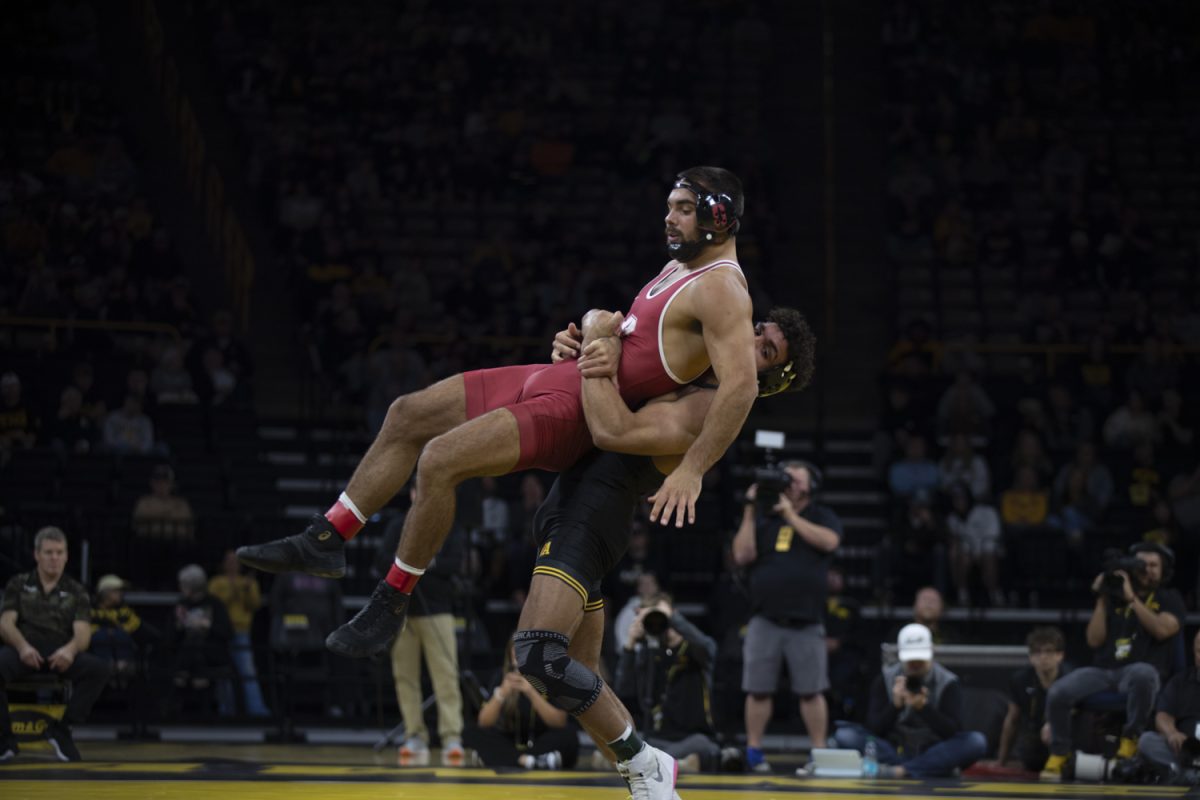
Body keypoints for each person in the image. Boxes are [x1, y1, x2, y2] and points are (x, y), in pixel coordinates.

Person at [238, 167, 772, 659]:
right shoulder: (683, 264)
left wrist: (692, 469)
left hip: (572, 412)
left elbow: (740, 388)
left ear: (715, 216)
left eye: (682, 208)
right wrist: (583, 337)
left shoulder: (723, 288)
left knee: (440, 459)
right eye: (670, 205)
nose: (668, 216)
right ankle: (327, 539)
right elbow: (629, 335)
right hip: (559, 376)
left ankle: (392, 601)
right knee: (407, 413)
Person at [506, 306, 814, 798]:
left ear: (767, 379)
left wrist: (592, 337)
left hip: (592, 518)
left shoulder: (708, 407)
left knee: (538, 652)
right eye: (756, 331)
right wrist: (574, 354)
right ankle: (645, 779)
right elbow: (605, 371)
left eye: (764, 349)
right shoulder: (684, 364)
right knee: (585, 680)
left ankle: (646, 763)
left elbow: (611, 429)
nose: (748, 338)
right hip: (569, 506)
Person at [732, 460, 843, 771]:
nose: (790, 484)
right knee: (758, 689)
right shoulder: (764, 519)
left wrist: (790, 516)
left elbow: (830, 542)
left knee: (811, 690)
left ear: (811, 486)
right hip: (765, 618)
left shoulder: (822, 516)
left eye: (797, 479)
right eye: (786, 479)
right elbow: (742, 555)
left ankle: (818, 753)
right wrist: (751, 509)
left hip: (806, 620)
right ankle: (754, 752)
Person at [1041, 542, 1185, 780]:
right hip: (1106, 671)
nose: (1146, 569)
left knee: (1143, 674)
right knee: (1059, 690)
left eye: (1153, 565)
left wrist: (1131, 599)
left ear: (1164, 570)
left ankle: (1130, 739)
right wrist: (1102, 598)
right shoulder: (1114, 598)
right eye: (1141, 564)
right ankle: (1060, 753)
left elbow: (1162, 629)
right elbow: (1094, 640)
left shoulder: (1169, 598)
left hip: (1141, 672)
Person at [0, 527, 112, 762]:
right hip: (24, 649)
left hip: (59, 651)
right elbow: (6, 624)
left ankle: (61, 730)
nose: (54, 558)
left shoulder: (76, 590)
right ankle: (5, 740)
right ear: (37, 555)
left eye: (59, 552)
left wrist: (69, 651)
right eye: (49, 552)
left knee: (100, 669)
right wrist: (22, 647)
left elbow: (83, 633)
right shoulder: (18, 584)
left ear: (67, 556)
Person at [374, 488, 467, 765]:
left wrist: (415, 564)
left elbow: (454, 563)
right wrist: (426, 565)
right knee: (405, 677)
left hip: (438, 610)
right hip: (401, 612)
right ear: (413, 494)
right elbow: (381, 560)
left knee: (446, 676)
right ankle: (414, 734)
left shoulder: (449, 524)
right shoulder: (397, 525)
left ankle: (452, 736)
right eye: (419, 490)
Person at [832, 623, 988, 778]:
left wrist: (924, 708)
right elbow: (874, 729)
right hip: (894, 748)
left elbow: (953, 732)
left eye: (920, 659)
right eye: (911, 660)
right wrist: (895, 706)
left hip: (933, 748)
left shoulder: (947, 682)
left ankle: (903, 771)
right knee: (845, 734)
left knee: (976, 741)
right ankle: (930, 768)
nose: (915, 665)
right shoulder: (885, 679)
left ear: (931, 652)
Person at [615, 591, 722, 774]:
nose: (659, 622)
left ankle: (648, 762)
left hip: (692, 737)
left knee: (706, 747)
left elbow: (709, 647)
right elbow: (623, 689)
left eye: (661, 616)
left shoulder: (695, 649)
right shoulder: (648, 652)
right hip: (656, 737)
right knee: (628, 740)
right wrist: (630, 645)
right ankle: (677, 764)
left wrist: (672, 619)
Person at [463, 637, 579, 771]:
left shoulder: (548, 676)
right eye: (517, 651)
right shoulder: (501, 676)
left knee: (569, 735)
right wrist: (501, 693)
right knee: (471, 732)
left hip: (541, 739)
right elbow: (484, 722)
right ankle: (531, 760)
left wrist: (531, 692)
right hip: (510, 740)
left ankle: (505, 759)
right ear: (510, 654)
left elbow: (559, 722)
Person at [994, 627, 1069, 771]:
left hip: (1067, 736)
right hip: (1035, 739)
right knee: (1031, 757)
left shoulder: (1071, 678)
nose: (1043, 657)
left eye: (1049, 651)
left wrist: (1054, 724)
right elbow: (1012, 719)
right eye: (1037, 652)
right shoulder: (1020, 680)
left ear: (1060, 655)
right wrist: (1001, 760)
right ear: (1030, 657)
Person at [207, 551, 270, 717]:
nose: (232, 564)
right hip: (221, 632)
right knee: (223, 671)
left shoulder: (248, 582)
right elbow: (214, 604)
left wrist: (248, 590)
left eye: (236, 561)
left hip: (242, 631)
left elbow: (254, 605)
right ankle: (225, 710)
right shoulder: (217, 582)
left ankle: (256, 710)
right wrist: (233, 591)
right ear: (223, 563)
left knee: (248, 671)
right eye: (229, 561)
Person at [1136, 629, 1200, 783]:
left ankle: (1183, 774)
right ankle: (1186, 771)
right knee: (1147, 740)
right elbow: (1163, 715)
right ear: (1194, 653)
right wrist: (1172, 733)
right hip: (1185, 750)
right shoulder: (1180, 682)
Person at [170, 564, 235, 714]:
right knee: (188, 654)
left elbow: (227, 633)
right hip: (187, 655)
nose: (180, 588)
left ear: (192, 586)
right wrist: (178, 623)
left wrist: (207, 625)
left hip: (210, 653)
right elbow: (171, 638)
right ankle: (177, 713)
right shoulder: (182, 605)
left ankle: (203, 713)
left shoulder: (214, 604)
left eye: (183, 585)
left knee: (195, 657)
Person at [89, 574, 142, 688]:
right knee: (101, 637)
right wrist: (105, 631)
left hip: (124, 659)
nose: (121, 594)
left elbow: (135, 624)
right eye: (117, 591)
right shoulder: (92, 611)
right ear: (106, 593)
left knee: (121, 637)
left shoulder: (124, 611)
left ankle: (121, 668)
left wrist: (118, 630)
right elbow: (87, 628)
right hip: (99, 658)